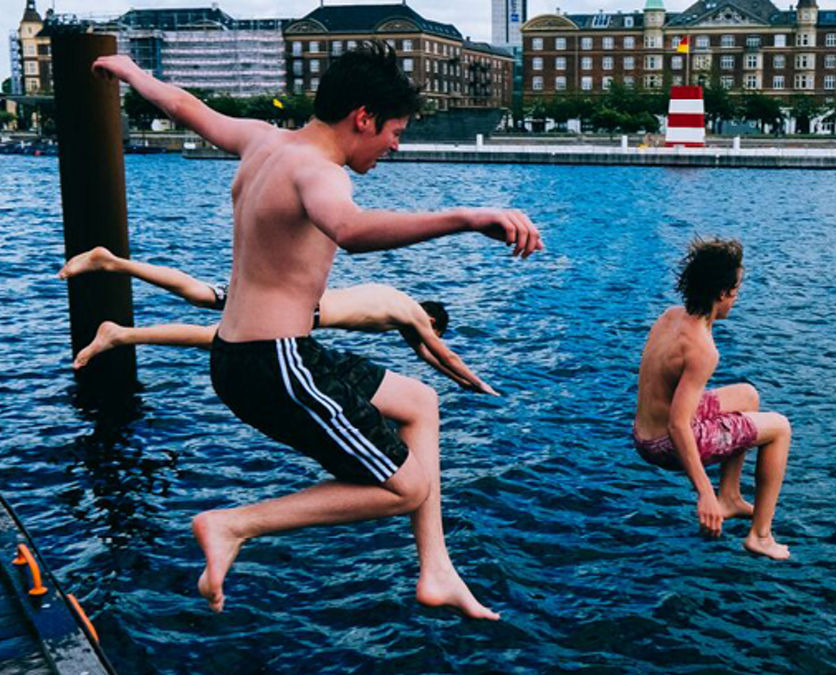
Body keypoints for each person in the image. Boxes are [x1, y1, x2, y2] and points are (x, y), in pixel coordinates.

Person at [91, 41, 543, 619]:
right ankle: (233, 525)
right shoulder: (318, 172)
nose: (395, 145)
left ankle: (436, 570)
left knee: (421, 401)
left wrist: (130, 71)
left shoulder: (262, 139)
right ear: (363, 117)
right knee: (406, 487)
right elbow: (350, 229)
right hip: (274, 361)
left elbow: (183, 105)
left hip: (256, 353)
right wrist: (468, 217)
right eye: (394, 130)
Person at [60, 247, 498, 395]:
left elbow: (429, 357)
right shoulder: (411, 314)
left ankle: (120, 327)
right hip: (295, 312)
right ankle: (113, 278)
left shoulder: (400, 307)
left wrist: (458, 381)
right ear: (433, 319)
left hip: (294, 306)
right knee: (206, 317)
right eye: (432, 330)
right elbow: (440, 354)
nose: (427, 337)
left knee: (208, 316)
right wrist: (477, 384)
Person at [632, 238, 792, 560]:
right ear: (721, 294)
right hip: (664, 442)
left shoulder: (671, 316)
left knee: (748, 395)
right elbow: (679, 425)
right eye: (736, 291)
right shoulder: (703, 349)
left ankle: (730, 497)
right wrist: (704, 492)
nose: (737, 298)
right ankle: (760, 535)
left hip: (644, 430)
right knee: (780, 428)